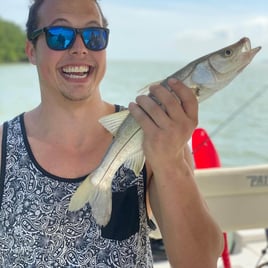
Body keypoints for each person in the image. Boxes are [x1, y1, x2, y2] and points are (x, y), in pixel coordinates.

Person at [0, 0, 224, 267]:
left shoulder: (154, 135)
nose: (80, 49)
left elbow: (200, 262)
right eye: (60, 36)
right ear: (31, 50)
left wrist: (171, 161)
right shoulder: (4, 146)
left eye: (94, 36)